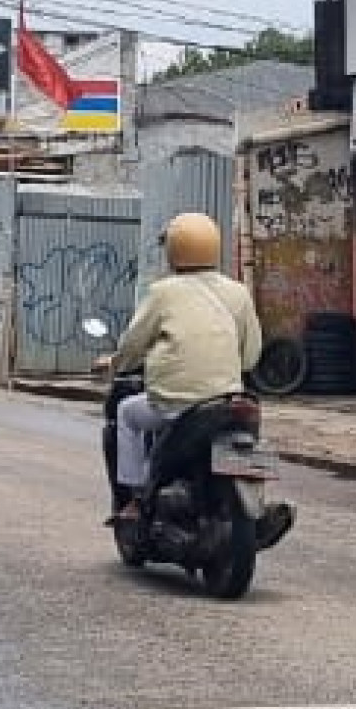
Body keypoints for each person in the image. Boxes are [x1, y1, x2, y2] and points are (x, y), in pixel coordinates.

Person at [105, 213, 262, 522]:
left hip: (176, 404)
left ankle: (136, 499)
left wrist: (115, 365)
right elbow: (251, 356)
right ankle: (257, 507)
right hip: (229, 400)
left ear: (174, 250)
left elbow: (134, 344)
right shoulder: (238, 293)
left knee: (125, 413)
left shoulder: (163, 292)